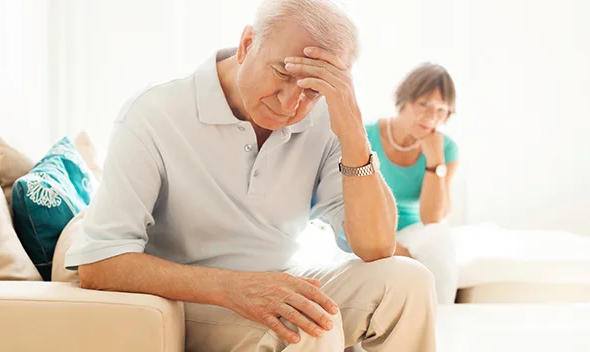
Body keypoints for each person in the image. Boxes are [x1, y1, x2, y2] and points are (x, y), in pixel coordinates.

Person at [65, 1, 437, 350]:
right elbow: (100, 264)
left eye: (312, 90)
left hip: (281, 281)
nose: (291, 104)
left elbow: (376, 248)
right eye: (282, 74)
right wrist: (233, 287)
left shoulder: (327, 119)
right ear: (246, 45)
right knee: (311, 327)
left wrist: (354, 133)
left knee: (408, 281)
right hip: (190, 297)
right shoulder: (153, 114)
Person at [338, 63, 460, 304]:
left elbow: (432, 218)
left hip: (411, 233)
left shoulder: (446, 148)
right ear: (404, 99)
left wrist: (435, 160)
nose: (430, 117)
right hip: (364, 228)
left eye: (440, 110)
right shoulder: (364, 135)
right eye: (423, 105)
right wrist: (389, 247)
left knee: (439, 237)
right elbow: (342, 199)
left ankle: (441, 323)